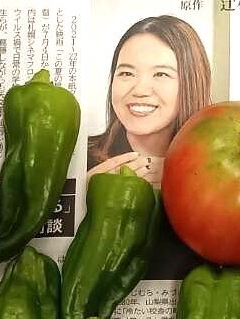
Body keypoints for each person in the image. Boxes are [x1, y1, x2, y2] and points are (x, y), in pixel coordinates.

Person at [86, 15, 211, 280]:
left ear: (192, 81)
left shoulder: (214, 170)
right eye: (126, 73)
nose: (140, 89)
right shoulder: (80, 158)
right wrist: (81, 196)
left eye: (161, 74)